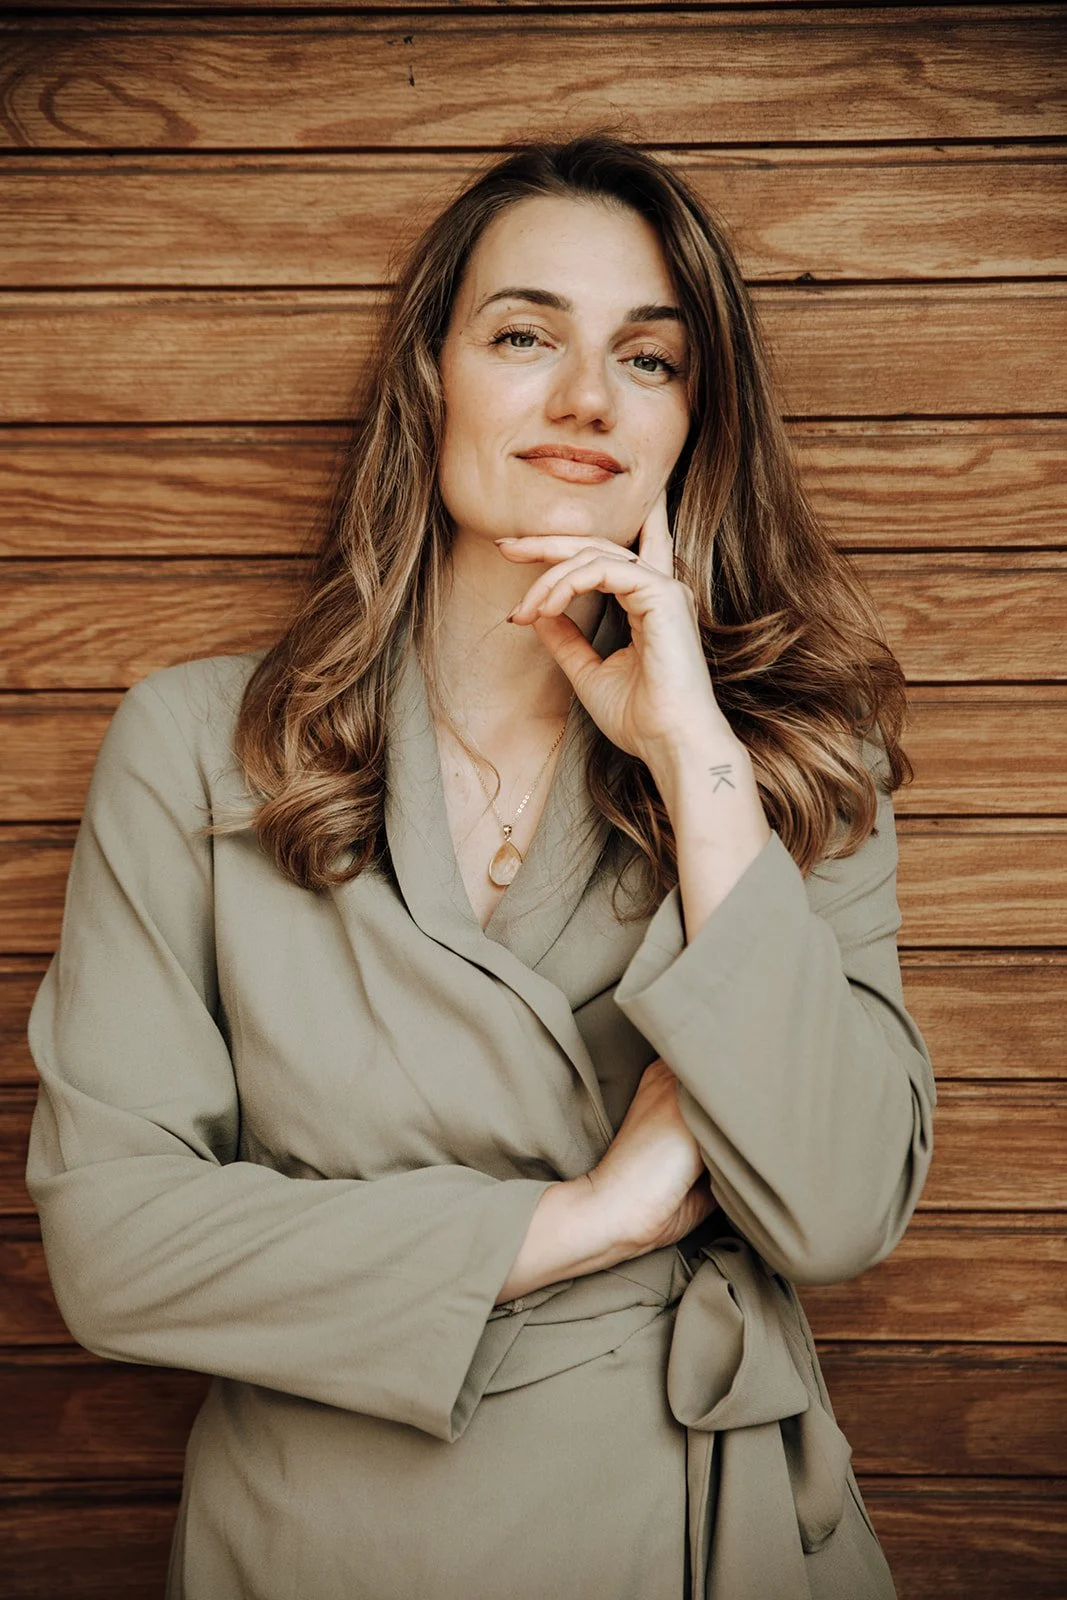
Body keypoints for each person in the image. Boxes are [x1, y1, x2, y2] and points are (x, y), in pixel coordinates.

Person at [25, 132, 936, 1600]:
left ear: (694, 423)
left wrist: (696, 759)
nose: (585, 399)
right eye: (525, 337)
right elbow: (116, 1248)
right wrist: (591, 1217)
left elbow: (831, 1208)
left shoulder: (788, 768)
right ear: (428, 379)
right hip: (332, 1530)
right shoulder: (199, 744)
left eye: (650, 360)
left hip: (714, 1532)